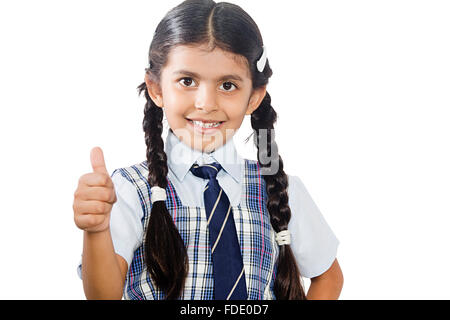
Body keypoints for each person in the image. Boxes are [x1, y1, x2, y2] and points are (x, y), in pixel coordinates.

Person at [73, 0, 343, 300]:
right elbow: (103, 296)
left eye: (227, 85)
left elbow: (327, 277)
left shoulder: (279, 189)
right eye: (187, 81)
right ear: (157, 89)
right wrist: (96, 230)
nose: (206, 103)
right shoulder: (130, 190)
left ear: (253, 97)